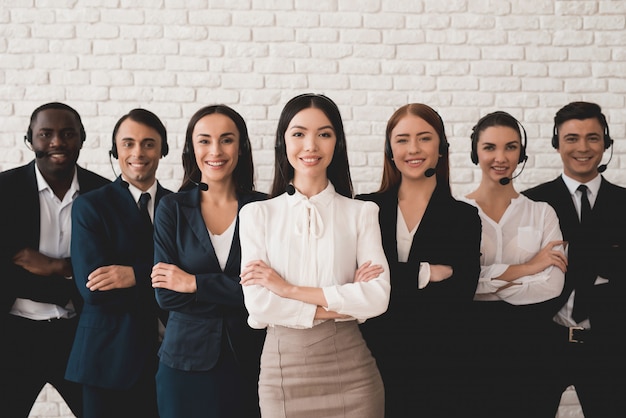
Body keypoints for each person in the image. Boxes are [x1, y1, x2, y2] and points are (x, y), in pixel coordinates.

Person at [238, 93, 390, 418]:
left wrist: (287, 289)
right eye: (299, 133)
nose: (311, 145)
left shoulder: (361, 213)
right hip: (283, 372)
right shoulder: (256, 214)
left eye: (324, 134)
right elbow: (259, 304)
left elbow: (377, 298)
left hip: (352, 374)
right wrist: (346, 305)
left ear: (337, 143)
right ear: (283, 141)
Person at [356, 103, 482, 417]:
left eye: (424, 138)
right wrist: (426, 274)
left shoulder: (464, 217)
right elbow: (351, 282)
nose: (413, 148)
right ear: (389, 149)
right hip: (370, 363)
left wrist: (385, 280)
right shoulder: (364, 209)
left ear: (442, 148)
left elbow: (460, 293)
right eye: (402, 139)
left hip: (441, 370)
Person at [150, 105, 266, 418]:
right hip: (184, 365)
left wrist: (193, 283)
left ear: (241, 147)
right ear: (191, 148)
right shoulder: (171, 209)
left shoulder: (264, 208)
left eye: (226, 140)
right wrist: (238, 292)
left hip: (252, 361)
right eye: (204, 140)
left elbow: (269, 293)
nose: (215, 150)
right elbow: (166, 294)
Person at [0, 102, 110, 417]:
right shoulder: (4, 191)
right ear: (29, 139)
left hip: (79, 333)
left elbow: (108, 271)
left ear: (82, 138)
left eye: (67, 133)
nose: (57, 142)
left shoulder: (102, 194)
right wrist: (71, 281)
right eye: (45, 134)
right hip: (13, 334)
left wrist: (56, 266)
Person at [64, 108, 171, 418]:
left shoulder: (179, 205)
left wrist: (134, 274)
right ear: (115, 150)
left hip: (169, 358)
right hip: (108, 360)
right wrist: (161, 278)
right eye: (128, 143)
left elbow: (191, 280)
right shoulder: (90, 205)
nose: (138, 152)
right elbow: (95, 290)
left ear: (162, 150)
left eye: (149, 143)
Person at [460, 111, 566, 418]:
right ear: (475, 152)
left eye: (511, 146)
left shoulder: (542, 213)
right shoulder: (457, 213)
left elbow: (552, 284)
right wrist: (529, 268)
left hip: (532, 350)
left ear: (521, 152)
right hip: (472, 349)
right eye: (490, 147)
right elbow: (459, 286)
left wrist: (486, 283)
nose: (500, 157)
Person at [523, 101, 626, 417]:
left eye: (593, 137)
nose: (583, 147)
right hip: (542, 342)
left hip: (610, 346)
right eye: (571, 138)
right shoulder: (531, 202)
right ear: (557, 144)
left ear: (606, 143)